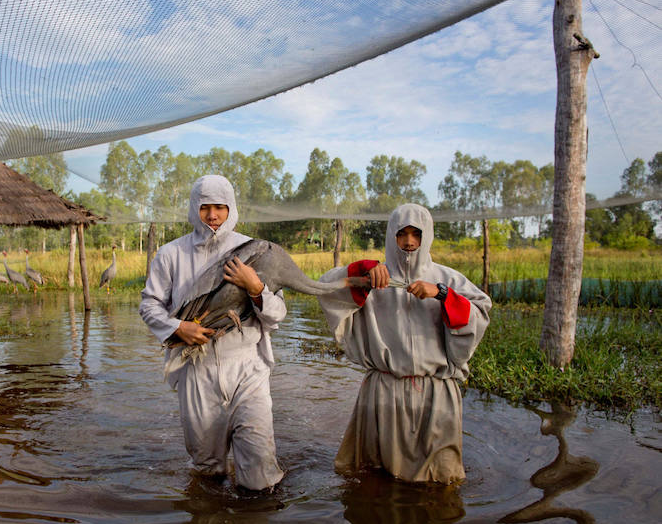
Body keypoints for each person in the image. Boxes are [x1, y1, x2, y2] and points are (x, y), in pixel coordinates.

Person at [317, 203, 491, 483]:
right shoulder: (375, 277)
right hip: (383, 393)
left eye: (416, 234)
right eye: (402, 234)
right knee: (375, 478)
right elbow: (325, 289)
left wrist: (443, 295)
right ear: (391, 236)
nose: (409, 242)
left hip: (436, 394)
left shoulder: (446, 279)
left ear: (427, 236)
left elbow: (479, 311)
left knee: (442, 480)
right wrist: (360, 275)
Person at [139, 174, 286, 491]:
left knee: (260, 466)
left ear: (231, 208)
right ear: (194, 209)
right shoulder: (171, 255)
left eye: (220, 207)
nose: (213, 215)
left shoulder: (255, 251)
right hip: (197, 370)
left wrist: (256, 288)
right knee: (207, 470)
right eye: (206, 207)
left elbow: (277, 315)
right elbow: (149, 305)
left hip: (248, 367)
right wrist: (179, 327)